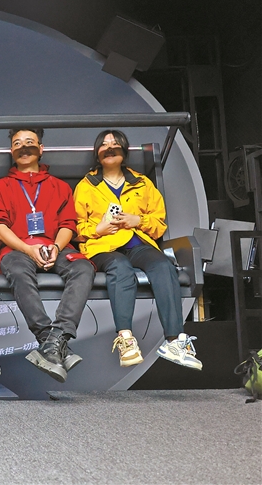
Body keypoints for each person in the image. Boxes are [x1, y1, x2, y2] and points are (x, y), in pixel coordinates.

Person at [74, 129, 203, 370]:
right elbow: (76, 227)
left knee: (163, 266)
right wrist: (98, 228)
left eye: (115, 144)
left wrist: (138, 220)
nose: (109, 148)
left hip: (138, 245)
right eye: (104, 144)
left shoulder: (142, 183)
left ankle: (174, 341)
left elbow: (159, 223)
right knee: (120, 267)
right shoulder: (86, 185)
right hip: (103, 247)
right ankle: (126, 340)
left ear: (124, 151)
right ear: (97, 153)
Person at [0, 128, 94, 383]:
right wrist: (27, 249)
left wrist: (56, 247)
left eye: (29, 142)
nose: (23, 147)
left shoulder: (59, 186)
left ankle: (57, 338)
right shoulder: (0, 186)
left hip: (55, 246)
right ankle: (51, 341)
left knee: (84, 268)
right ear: (11, 151)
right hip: (17, 250)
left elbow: (68, 225)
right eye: (17, 143)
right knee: (18, 271)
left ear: (41, 148)